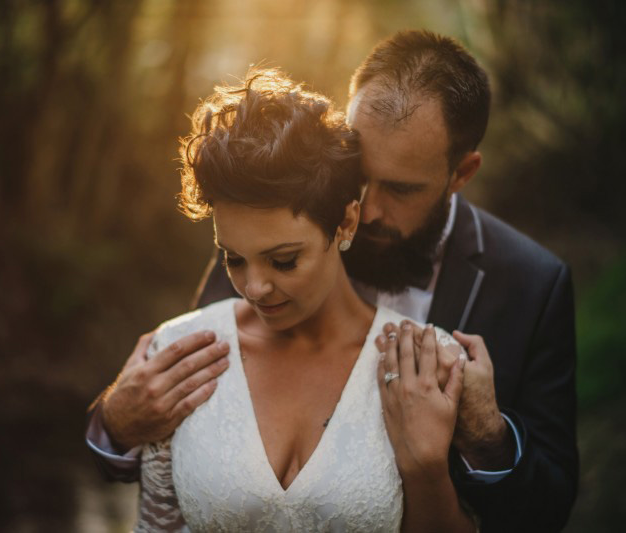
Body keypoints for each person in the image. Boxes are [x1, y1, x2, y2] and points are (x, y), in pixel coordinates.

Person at [88, 30, 578, 532]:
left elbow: (546, 511)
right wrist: (116, 423)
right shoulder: (269, 229)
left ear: (462, 172)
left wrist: (486, 435)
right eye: (359, 174)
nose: (367, 208)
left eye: (401, 188)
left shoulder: (530, 286)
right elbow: (190, 439)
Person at [126, 68, 475, 531]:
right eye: (234, 258)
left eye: (284, 260)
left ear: (346, 223)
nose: (255, 288)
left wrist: (427, 469)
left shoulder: (427, 365)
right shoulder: (176, 356)